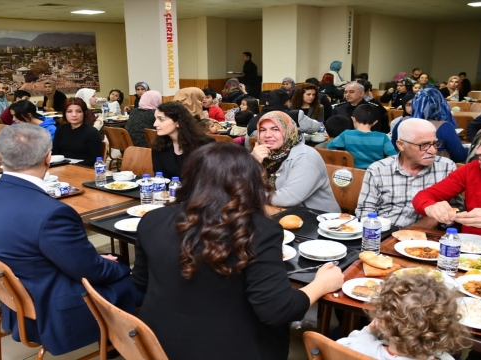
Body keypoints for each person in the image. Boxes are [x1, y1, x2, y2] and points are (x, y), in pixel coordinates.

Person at [133, 142, 344, 360]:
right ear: (249, 183)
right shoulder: (259, 230)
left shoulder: (152, 219)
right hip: (227, 349)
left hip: (155, 343)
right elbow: (277, 310)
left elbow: (141, 282)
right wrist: (321, 284)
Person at [0, 123, 142, 356]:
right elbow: (92, 272)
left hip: (16, 293)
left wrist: (98, 261)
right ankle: (125, 344)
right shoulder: (51, 213)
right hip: (50, 303)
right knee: (137, 279)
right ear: (48, 158)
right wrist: (121, 269)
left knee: (111, 262)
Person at [337, 273, 468, 360]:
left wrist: (368, 331)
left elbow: (348, 343)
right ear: (445, 329)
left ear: (383, 322)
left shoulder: (357, 348)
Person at [356, 119, 459, 228]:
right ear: (401, 145)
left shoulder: (446, 167)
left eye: (435, 143)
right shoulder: (378, 170)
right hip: (385, 232)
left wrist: (434, 219)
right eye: (423, 145)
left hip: (428, 236)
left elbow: (457, 209)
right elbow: (364, 212)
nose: (433, 151)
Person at [251, 111, 340, 212]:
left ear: (288, 130)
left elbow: (287, 198)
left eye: (275, 129)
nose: (267, 135)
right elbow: (234, 182)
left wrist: (248, 192)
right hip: (277, 212)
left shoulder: (307, 157)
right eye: (262, 130)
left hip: (320, 220)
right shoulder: (260, 154)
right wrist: (253, 162)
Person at [392, 88, 468, 163]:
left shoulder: (401, 123)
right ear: (441, 104)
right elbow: (460, 156)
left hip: (405, 168)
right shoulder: (445, 127)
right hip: (436, 170)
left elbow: (393, 149)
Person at [152, 101, 215, 179]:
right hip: (170, 190)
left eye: (161, 120)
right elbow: (159, 177)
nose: (155, 124)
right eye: (155, 119)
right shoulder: (159, 146)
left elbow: (210, 179)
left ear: (178, 122)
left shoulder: (204, 144)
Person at [327, 104, 397, 169]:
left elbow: (330, 147)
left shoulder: (346, 134)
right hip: (375, 173)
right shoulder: (383, 137)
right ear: (375, 122)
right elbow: (393, 156)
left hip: (353, 172)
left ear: (353, 119)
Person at [247, 89, 321, 137]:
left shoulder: (253, 120)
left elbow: (248, 143)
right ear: (287, 103)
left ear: (267, 103)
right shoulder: (295, 115)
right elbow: (316, 126)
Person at [52, 97, 101, 166]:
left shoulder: (92, 133)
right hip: (62, 166)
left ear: (85, 113)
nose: (74, 115)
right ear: (65, 113)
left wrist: (72, 166)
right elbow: (55, 153)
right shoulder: (60, 129)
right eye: (69, 111)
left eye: (78, 111)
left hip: (84, 168)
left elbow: (94, 159)